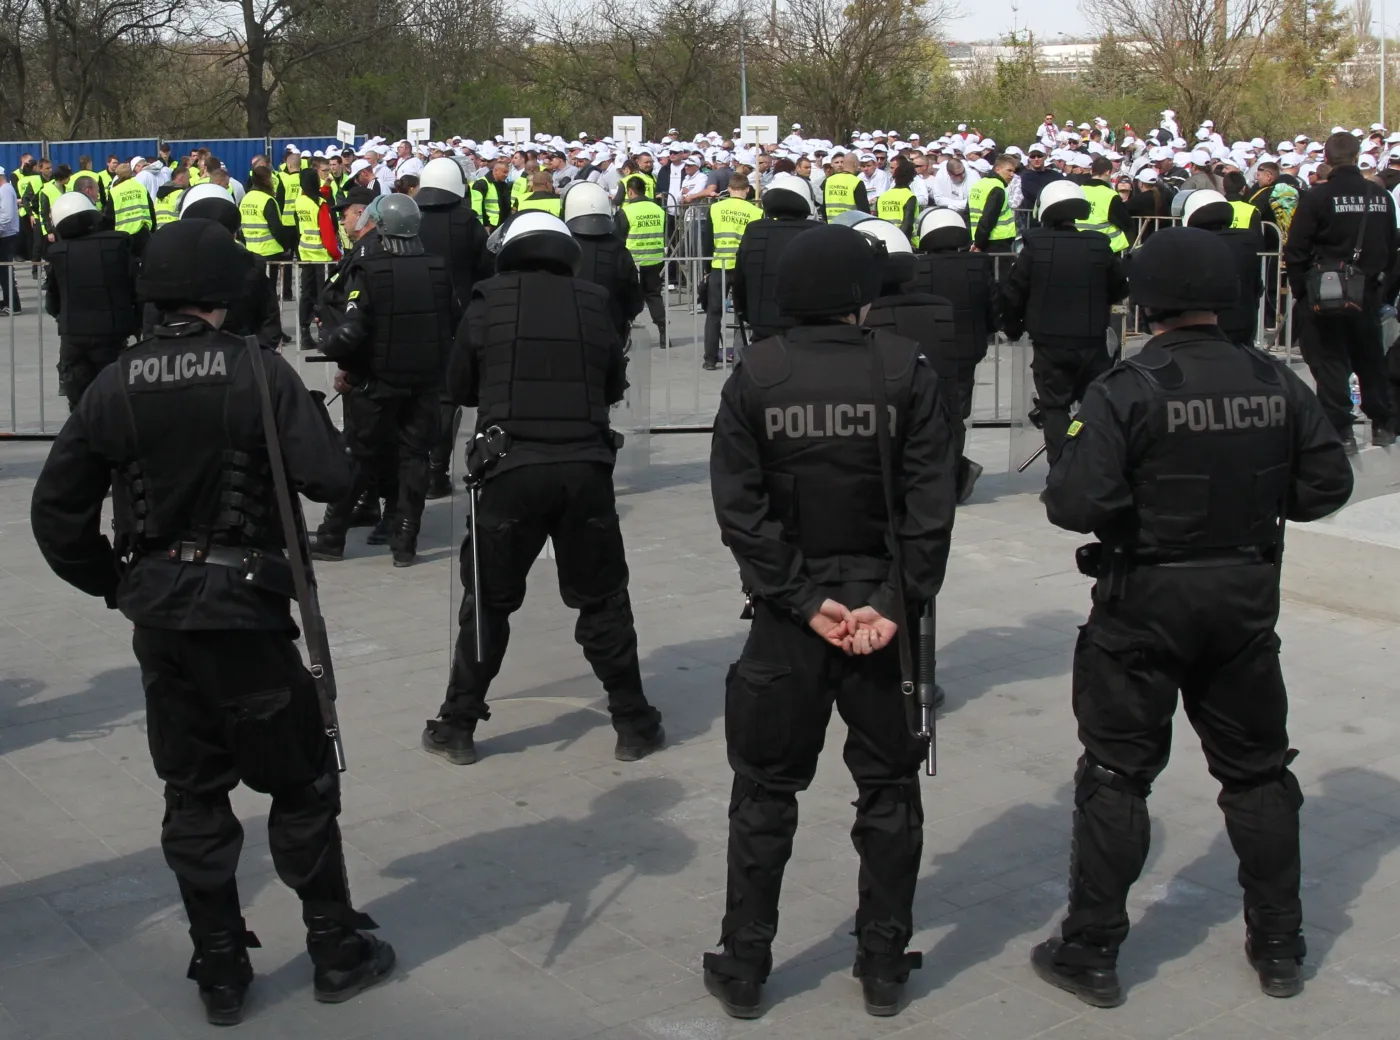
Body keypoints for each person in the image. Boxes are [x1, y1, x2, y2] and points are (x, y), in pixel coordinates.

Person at [30, 218, 395, 1027]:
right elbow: (332, 479)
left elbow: (56, 515)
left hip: (160, 617)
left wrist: (118, 583)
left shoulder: (114, 384)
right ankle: (334, 949)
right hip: (244, 612)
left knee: (192, 791)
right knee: (300, 781)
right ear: (225, 290)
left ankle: (221, 965)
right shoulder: (257, 373)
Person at [1032, 226, 1354, 1009]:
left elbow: (1077, 504)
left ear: (1149, 299)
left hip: (1144, 603)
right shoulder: (1273, 379)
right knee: (1258, 773)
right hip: (1242, 601)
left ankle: (1093, 950)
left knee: (1116, 774)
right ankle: (1280, 945)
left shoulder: (1128, 386)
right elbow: (1325, 487)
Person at [705, 222, 957, 1020]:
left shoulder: (758, 374)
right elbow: (932, 505)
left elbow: (740, 512)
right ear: (862, 293)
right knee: (887, 791)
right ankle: (883, 963)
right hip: (882, 618)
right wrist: (892, 604)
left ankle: (745, 964)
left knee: (765, 795)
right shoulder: (907, 370)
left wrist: (805, 601)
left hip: (789, 618)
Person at [425, 212, 665, 767]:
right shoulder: (594, 301)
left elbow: (458, 383)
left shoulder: (487, 301)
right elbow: (612, 384)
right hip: (584, 466)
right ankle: (633, 721)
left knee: (488, 602)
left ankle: (458, 723)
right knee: (603, 598)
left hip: (510, 469)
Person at [309, 194, 453, 567]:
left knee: (358, 456)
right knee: (414, 459)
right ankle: (405, 541)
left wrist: (333, 352)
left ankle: (331, 537)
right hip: (423, 383)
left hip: (376, 382)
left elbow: (352, 332)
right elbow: (452, 322)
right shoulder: (438, 268)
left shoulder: (369, 271)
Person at [1284, 131, 1398, 452]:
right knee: (1370, 357)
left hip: (1325, 293)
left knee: (1330, 359)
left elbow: (1296, 250)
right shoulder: (1380, 197)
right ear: (1358, 155)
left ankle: (1341, 429)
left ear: (1326, 158)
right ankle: (1383, 424)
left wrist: (1303, 292)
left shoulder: (1318, 197)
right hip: (1369, 291)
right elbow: (1391, 249)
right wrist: (1380, 287)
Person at [1002, 181, 1129, 464]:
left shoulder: (1035, 246)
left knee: (1054, 407)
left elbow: (1014, 292)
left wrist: (1012, 327)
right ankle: (1099, 465)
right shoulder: (1099, 246)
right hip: (1092, 342)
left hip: (1050, 345)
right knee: (1097, 406)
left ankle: (1062, 473)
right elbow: (1120, 288)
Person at [416, 157, 492, 502]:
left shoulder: (408, 218)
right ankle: (435, 471)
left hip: (413, 317)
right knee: (447, 398)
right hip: (456, 319)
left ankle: (416, 469)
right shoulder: (467, 222)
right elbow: (485, 268)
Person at [913, 208, 999, 503]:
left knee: (925, 413)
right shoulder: (979, 265)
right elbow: (992, 304)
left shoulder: (917, 268)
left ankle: (931, 475)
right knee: (956, 413)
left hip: (927, 352)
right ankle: (952, 475)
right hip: (965, 352)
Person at [42, 193, 140, 409]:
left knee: (78, 400)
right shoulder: (118, 244)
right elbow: (136, 288)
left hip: (74, 338)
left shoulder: (58, 253)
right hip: (112, 336)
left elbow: (52, 301)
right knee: (115, 397)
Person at [732, 173, 815, 343]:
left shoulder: (755, 231)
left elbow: (740, 279)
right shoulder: (818, 232)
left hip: (763, 328)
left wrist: (746, 314)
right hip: (806, 330)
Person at [1182, 189, 1266, 349]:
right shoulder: (1247, 241)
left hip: (1204, 328)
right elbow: (1256, 286)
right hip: (1243, 323)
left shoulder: (1190, 244)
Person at [562, 179, 644, 342]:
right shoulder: (618, 247)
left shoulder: (563, 246)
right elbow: (632, 293)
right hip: (610, 328)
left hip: (570, 330)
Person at [701, 174, 763, 370]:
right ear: (747, 190)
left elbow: (708, 240)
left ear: (729, 189)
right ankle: (739, 357)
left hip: (719, 265)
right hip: (743, 269)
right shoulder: (755, 211)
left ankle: (710, 359)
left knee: (713, 314)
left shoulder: (715, 208)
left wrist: (706, 267)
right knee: (742, 314)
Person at [615, 175, 668, 343]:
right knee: (654, 295)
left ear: (630, 191)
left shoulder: (626, 211)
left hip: (633, 262)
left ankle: (624, 336)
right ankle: (663, 333)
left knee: (627, 297)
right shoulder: (658, 209)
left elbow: (618, 238)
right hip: (655, 259)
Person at [968, 154, 1018, 254]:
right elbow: (988, 219)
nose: (1012, 175)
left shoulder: (978, 184)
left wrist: (974, 242)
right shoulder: (997, 188)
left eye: (1014, 171)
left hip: (977, 239)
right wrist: (978, 244)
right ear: (998, 169)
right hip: (997, 241)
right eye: (1009, 170)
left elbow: (967, 214)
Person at [875, 156, 918, 238]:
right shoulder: (909, 196)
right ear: (911, 178)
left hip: (884, 240)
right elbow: (907, 225)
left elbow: (876, 221)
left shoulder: (883, 196)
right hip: (902, 243)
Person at [823, 152, 868, 220]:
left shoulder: (828, 181)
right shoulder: (857, 182)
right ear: (855, 164)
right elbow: (864, 211)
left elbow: (823, 207)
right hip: (851, 226)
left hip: (831, 225)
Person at [0, 166, 18, 315]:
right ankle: (8, 302)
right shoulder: (6, 189)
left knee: (6, 272)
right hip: (5, 234)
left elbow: (7, 215)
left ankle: (13, 305)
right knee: (4, 272)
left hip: (6, 236)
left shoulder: (5, 190)